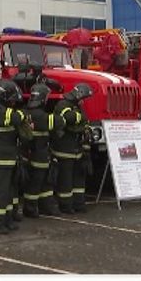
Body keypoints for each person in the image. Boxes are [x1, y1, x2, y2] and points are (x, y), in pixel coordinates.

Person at [0, 79, 30, 234]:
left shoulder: (1, 108)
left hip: (8, 158)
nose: (13, 103)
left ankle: (6, 220)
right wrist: (24, 114)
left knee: (8, 193)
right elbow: (16, 118)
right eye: (11, 99)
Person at [51, 83, 94, 214]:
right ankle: (65, 205)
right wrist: (80, 120)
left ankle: (78, 204)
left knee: (78, 179)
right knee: (65, 179)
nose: (83, 101)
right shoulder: (63, 105)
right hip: (64, 150)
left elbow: (84, 122)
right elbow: (70, 118)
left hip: (76, 150)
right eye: (83, 98)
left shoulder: (77, 106)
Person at [22, 83, 61, 218]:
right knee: (37, 182)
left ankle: (45, 206)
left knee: (43, 181)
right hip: (39, 155)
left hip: (31, 154)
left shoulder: (25, 113)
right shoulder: (41, 116)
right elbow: (58, 122)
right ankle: (30, 208)